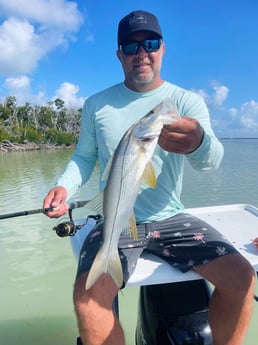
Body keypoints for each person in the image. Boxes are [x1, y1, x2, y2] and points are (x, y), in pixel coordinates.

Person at [43, 10, 255, 345]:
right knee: (87, 300)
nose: (141, 52)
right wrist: (63, 186)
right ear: (119, 55)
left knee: (243, 277)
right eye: (131, 46)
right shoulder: (97, 104)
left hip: (171, 217)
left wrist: (197, 141)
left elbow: (211, 161)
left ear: (162, 49)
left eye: (150, 43)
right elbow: (83, 158)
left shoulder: (186, 101)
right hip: (116, 216)